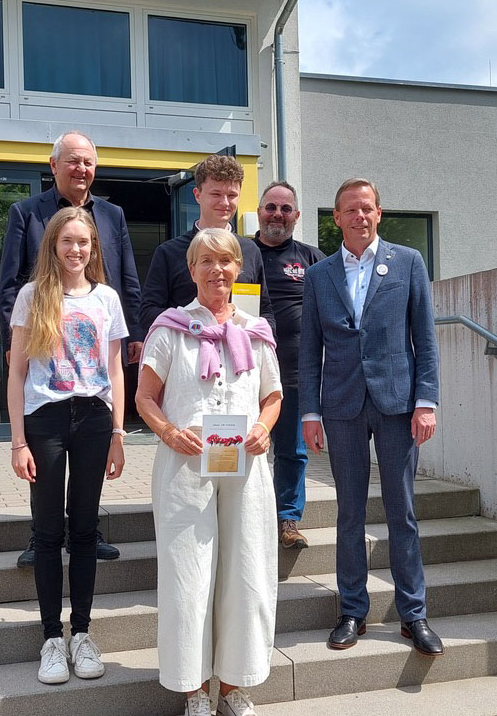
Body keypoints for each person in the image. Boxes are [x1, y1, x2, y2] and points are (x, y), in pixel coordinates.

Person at [136, 228, 282, 716]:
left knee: (247, 573)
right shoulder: (170, 327)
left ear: (238, 268)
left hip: (247, 467)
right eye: (206, 261)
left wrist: (264, 426)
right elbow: (144, 398)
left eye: (225, 261)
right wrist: (169, 432)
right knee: (188, 577)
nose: (216, 270)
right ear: (191, 269)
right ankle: (195, 689)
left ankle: (233, 686)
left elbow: (273, 395)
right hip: (185, 466)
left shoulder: (256, 330)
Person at [298, 178, 443, 656]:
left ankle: (413, 615)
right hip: (341, 407)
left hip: (398, 405)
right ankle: (352, 611)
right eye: (349, 210)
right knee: (349, 512)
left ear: (379, 213)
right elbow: (309, 349)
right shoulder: (319, 276)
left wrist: (427, 401)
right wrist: (310, 412)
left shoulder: (407, 262)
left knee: (401, 512)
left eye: (367, 208)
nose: (359, 217)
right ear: (335, 218)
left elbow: (425, 338)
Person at [0, 131, 140, 567]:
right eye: (73, 161)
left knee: (87, 453)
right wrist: (13, 342)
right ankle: (40, 533)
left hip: (96, 342)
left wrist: (132, 334)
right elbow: (10, 282)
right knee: (45, 454)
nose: (82, 169)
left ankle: (88, 531)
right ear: (54, 165)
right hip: (41, 344)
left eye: (88, 162)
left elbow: (126, 276)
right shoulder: (27, 212)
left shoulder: (113, 215)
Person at [8, 206, 127, 684]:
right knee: (46, 534)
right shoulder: (32, 296)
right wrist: (18, 442)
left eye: (83, 242)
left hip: (95, 420)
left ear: (93, 247)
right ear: (52, 247)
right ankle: (51, 639)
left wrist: (119, 433)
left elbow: (116, 370)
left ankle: (81, 633)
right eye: (67, 242)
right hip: (46, 419)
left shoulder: (107, 299)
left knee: (83, 531)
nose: (76, 250)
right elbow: (15, 374)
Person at [254, 181, 325, 549]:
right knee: (238, 446)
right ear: (258, 211)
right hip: (244, 373)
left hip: (295, 373)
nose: (277, 215)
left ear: (296, 216)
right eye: (271, 207)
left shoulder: (313, 260)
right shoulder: (239, 252)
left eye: (285, 209)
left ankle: (287, 520)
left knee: (291, 452)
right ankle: (242, 519)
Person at [139, 154, 276, 335]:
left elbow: (264, 310)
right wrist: (197, 327)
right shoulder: (169, 253)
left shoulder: (250, 251)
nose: (225, 203)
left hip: (240, 355)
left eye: (232, 195)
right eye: (216, 194)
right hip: (189, 352)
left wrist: (259, 337)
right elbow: (148, 312)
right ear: (197, 195)